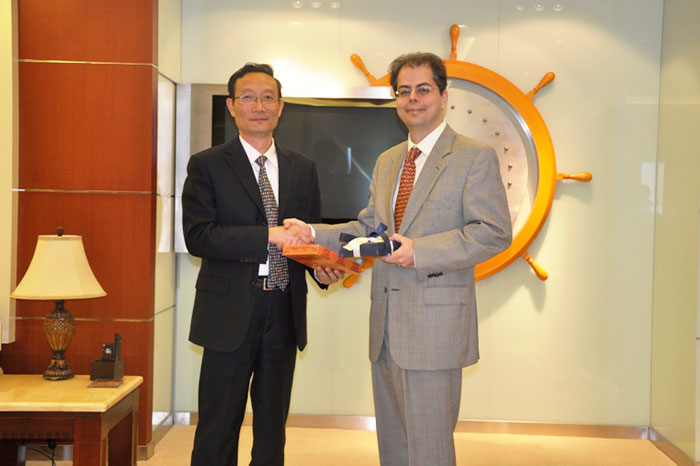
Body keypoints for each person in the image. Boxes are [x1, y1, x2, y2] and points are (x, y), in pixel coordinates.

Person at [285, 52, 512, 465]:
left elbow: (493, 233)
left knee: (429, 450)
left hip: (435, 329)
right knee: (394, 447)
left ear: (444, 96)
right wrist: (314, 233)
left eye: (423, 89)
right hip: (386, 328)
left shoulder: (473, 156)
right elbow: (369, 228)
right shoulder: (389, 160)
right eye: (403, 91)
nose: (412, 99)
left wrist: (419, 251)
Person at [182, 63, 343, 466]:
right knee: (218, 426)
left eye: (268, 97)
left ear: (281, 107)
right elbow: (199, 237)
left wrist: (320, 269)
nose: (259, 106)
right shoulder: (207, 164)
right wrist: (267, 235)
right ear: (232, 106)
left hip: (283, 311)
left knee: (272, 430)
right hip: (228, 312)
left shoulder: (302, 168)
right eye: (249, 98)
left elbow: (306, 237)